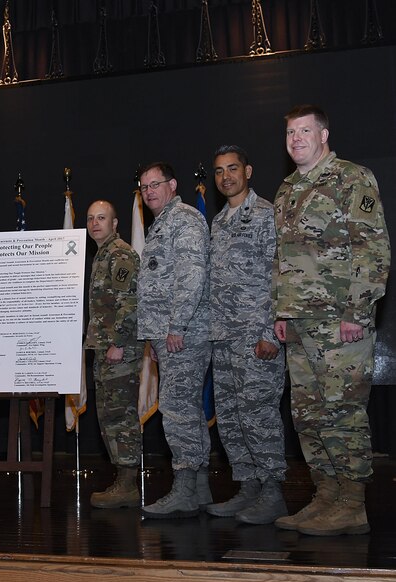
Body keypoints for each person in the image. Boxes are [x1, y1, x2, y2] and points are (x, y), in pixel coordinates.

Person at [273, 105, 390, 536]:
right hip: (300, 322)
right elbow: (282, 257)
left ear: (323, 134)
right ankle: (324, 495)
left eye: (305, 130)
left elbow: (373, 249)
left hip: (339, 320)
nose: (296, 138)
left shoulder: (351, 178)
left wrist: (356, 312)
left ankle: (351, 504)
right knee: (307, 412)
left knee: (342, 409)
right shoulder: (286, 189)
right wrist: (281, 311)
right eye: (290, 132)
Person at [205, 146, 287, 524]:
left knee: (259, 416)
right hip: (224, 339)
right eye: (219, 171)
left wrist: (272, 332)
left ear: (248, 171)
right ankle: (248, 488)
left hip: (257, 340)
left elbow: (280, 276)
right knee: (233, 418)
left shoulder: (267, 215)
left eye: (233, 168)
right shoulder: (219, 222)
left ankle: (273, 494)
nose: (226, 177)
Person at [136, 162, 212, 519]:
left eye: (156, 184)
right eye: (144, 187)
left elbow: (192, 276)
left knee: (178, 410)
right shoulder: (161, 223)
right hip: (168, 335)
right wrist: (155, 335)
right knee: (187, 410)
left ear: (173, 184)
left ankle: (184, 488)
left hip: (185, 334)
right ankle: (198, 488)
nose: (150, 191)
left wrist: (177, 326)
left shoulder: (183, 219)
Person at [84, 200, 142, 509]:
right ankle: (123, 480)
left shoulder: (119, 253)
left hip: (119, 349)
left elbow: (129, 301)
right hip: (105, 348)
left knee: (120, 416)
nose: (95, 223)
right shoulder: (102, 254)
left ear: (115, 222)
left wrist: (119, 342)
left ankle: (128, 484)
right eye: (91, 218)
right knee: (109, 416)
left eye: (102, 218)